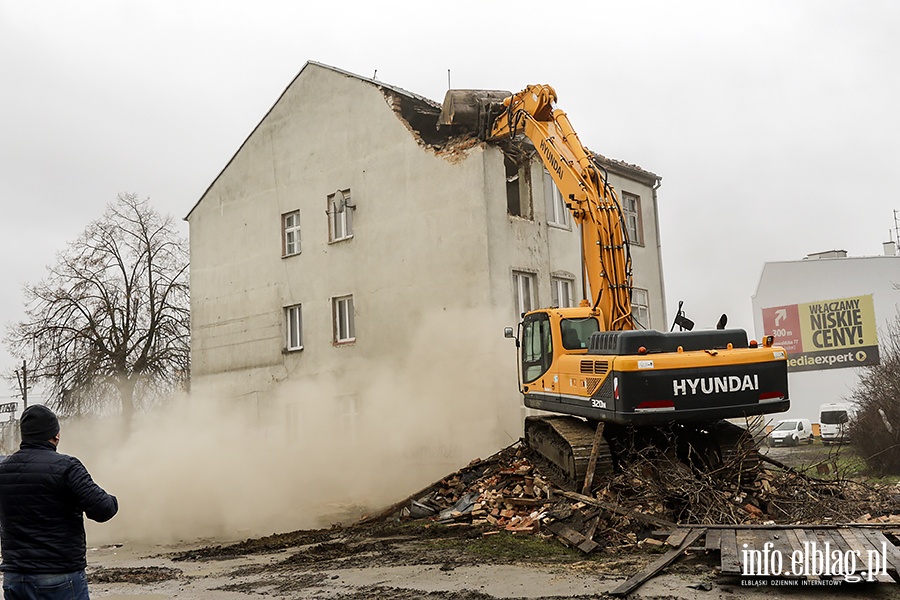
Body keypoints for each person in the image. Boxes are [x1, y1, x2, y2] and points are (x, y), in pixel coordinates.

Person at [0, 405, 118, 599]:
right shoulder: (67, 467)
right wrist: (112, 500)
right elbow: (103, 509)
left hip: (15, 578)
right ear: (56, 435)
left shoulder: (3, 469)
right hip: (58, 576)